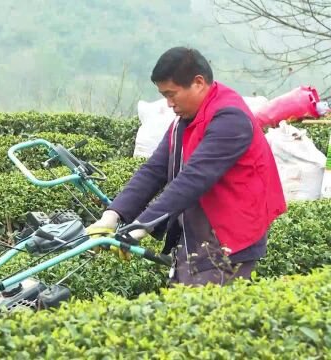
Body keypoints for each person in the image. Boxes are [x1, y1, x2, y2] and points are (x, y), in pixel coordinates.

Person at [88, 47, 286, 286]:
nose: (169, 103)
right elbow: (154, 170)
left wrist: (139, 228)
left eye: (172, 94)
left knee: (206, 316)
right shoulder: (186, 118)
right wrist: (112, 216)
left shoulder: (230, 119)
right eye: (164, 95)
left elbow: (192, 180)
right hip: (196, 235)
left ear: (199, 83)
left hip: (228, 242)